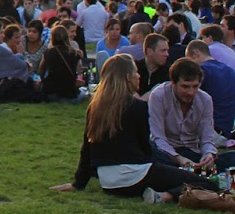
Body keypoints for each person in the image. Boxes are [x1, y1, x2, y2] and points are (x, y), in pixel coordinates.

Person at [54, 55, 218, 202]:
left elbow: (87, 149)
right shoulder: (137, 107)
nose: (139, 76)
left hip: (108, 181)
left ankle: (162, 189)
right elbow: (145, 149)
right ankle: (165, 197)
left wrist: (78, 183)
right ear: (128, 78)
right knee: (203, 182)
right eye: (136, 73)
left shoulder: (95, 107)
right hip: (136, 173)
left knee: (165, 163)